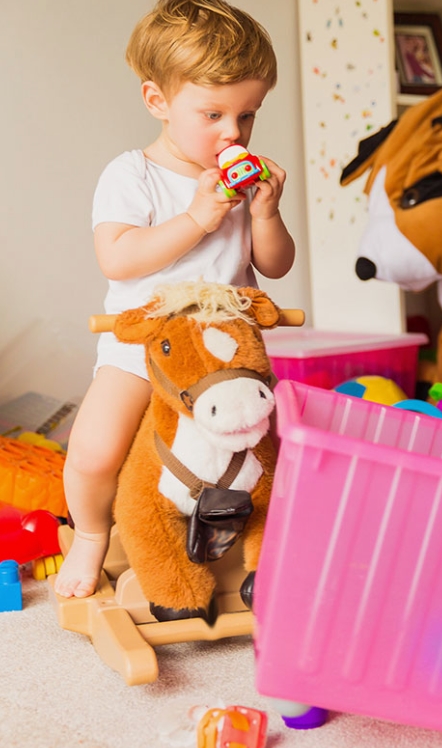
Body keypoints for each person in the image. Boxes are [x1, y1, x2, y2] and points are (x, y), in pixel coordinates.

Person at [53, 0, 295, 599]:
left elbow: (275, 265)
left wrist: (266, 213)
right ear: (157, 101)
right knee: (93, 451)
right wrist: (197, 217)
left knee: (262, 454)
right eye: (212, 114)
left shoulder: (243, 185)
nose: (233, 132)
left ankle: (251, 540)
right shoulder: (132, 174)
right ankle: (91, 533)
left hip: (223, 356)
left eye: (247, 114)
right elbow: (118, 257)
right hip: (144, 347)